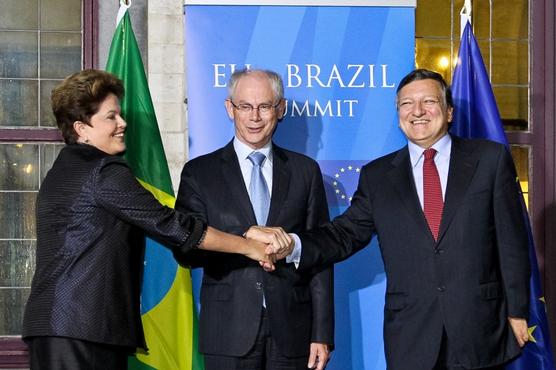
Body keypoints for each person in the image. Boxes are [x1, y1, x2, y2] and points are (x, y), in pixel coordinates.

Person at [249, 69, 531, 370]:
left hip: (480, 329)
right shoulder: (378, 176)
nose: (418, 111)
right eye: (406, 104)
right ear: (398, 114)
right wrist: (292, 244)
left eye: (428, 101)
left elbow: (511, 242)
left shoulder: (490, 160)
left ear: (448, 112)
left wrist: (518, 311)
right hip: (412, 338)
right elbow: (343, 235)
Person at [22, 69, 274, 370]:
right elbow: (176, 228)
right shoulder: (104, 172)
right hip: (80, 330)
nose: (122, 123)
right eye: (111, 117)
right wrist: (248, 245)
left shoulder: (65, 168)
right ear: (82, 128)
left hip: (61, 328)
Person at [174, 68, 334, 370]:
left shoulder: (305, 172)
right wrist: (245, 239)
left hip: (294, 330)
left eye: (264, 106)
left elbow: (320, 253)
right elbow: (185, 251)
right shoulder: (200, 173)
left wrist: (322, 334)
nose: (255, 117)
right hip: (227, 330)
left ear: (281, 109)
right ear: (229, 108)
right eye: (245, 106)